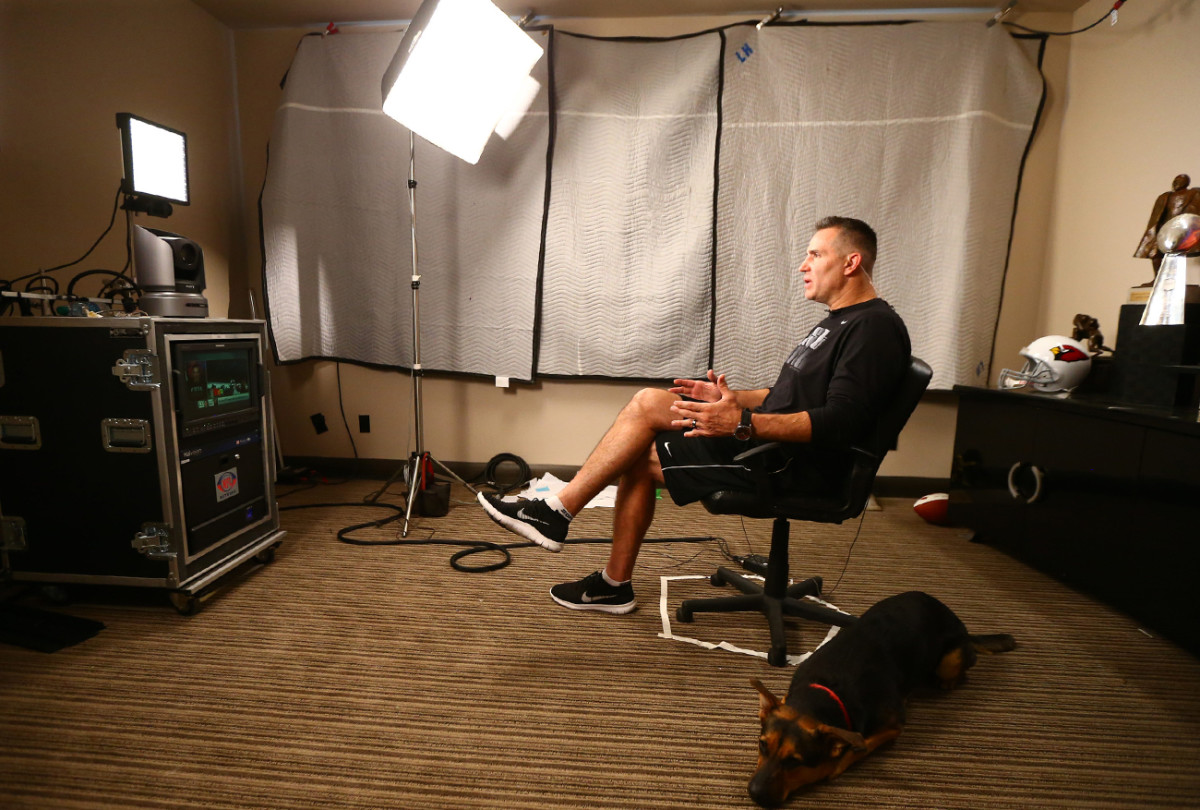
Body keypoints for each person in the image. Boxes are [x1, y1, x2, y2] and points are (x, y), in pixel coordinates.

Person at [478, 216, 911, 614]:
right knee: (650, 402)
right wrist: (731, 399)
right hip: (766, 443)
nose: (803, 265)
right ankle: (578, 539)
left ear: (851, 262)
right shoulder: (838, 321)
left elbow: (840, 423)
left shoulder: (873, 328)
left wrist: (742, 424)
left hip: (788, 463)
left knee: (639, 456)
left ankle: (568, 527)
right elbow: (787, 396)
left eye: (815, 254)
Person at [1134, 174, 1200, 278]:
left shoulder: (1194, 194)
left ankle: (1176, 279)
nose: (1176, 183)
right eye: (1175, 180)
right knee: (1154, 253)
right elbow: (1157, 216)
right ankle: (1157, 278)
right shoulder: (1165, 197)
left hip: (1183, 231)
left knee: (1180, 255)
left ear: (1186, 183)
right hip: (1164, 230)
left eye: (1179, 180)